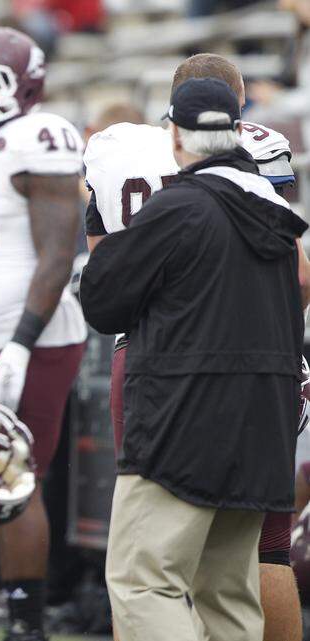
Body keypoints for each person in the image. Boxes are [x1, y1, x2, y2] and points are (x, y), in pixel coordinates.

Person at [82, 53, 309, 641]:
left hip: (176, 384)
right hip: (268, 385)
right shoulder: (265, 197)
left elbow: (102, 296)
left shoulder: (164, 193)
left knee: (142, 579)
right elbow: (300, 278)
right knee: (232, 583)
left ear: (175, 133)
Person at [0, 27, 87, 640]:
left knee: (13, 474)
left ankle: (25, 622)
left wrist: (22, 345)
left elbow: (57, 254)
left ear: (24, 90)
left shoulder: (41, 136)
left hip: (32, 332)